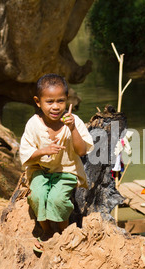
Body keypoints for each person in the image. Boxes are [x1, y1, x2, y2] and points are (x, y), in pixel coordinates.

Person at [19, 73, 94, 253]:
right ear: (38, 102)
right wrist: (42, 151)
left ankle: (63, 232)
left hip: (66, 171)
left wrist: (73, 128)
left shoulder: (73, 122)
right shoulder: (33, 124)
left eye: (60, 101)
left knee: (57, 199)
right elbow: (25, 155)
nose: (55, 107)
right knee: (37, 196)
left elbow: (82, 151)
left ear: (67, 100)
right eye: (49, 102)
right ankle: (47, 231)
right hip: (40, 169)